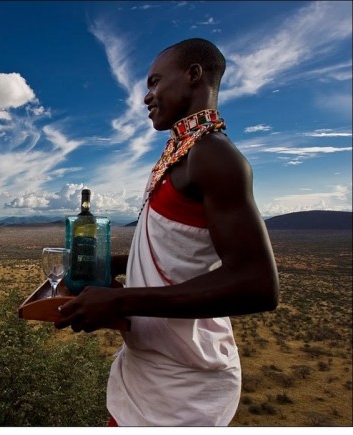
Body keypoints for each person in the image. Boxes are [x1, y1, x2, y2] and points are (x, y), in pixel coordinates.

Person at [55, 38, 279, 426]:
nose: (146, 96)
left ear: (193, 75)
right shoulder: (179, 153)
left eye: (155, 82)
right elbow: (178, 255)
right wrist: (112, 265)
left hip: (184, 385)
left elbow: (257, 284)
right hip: (148, 369)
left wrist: (121, 303)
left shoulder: (214, 156)